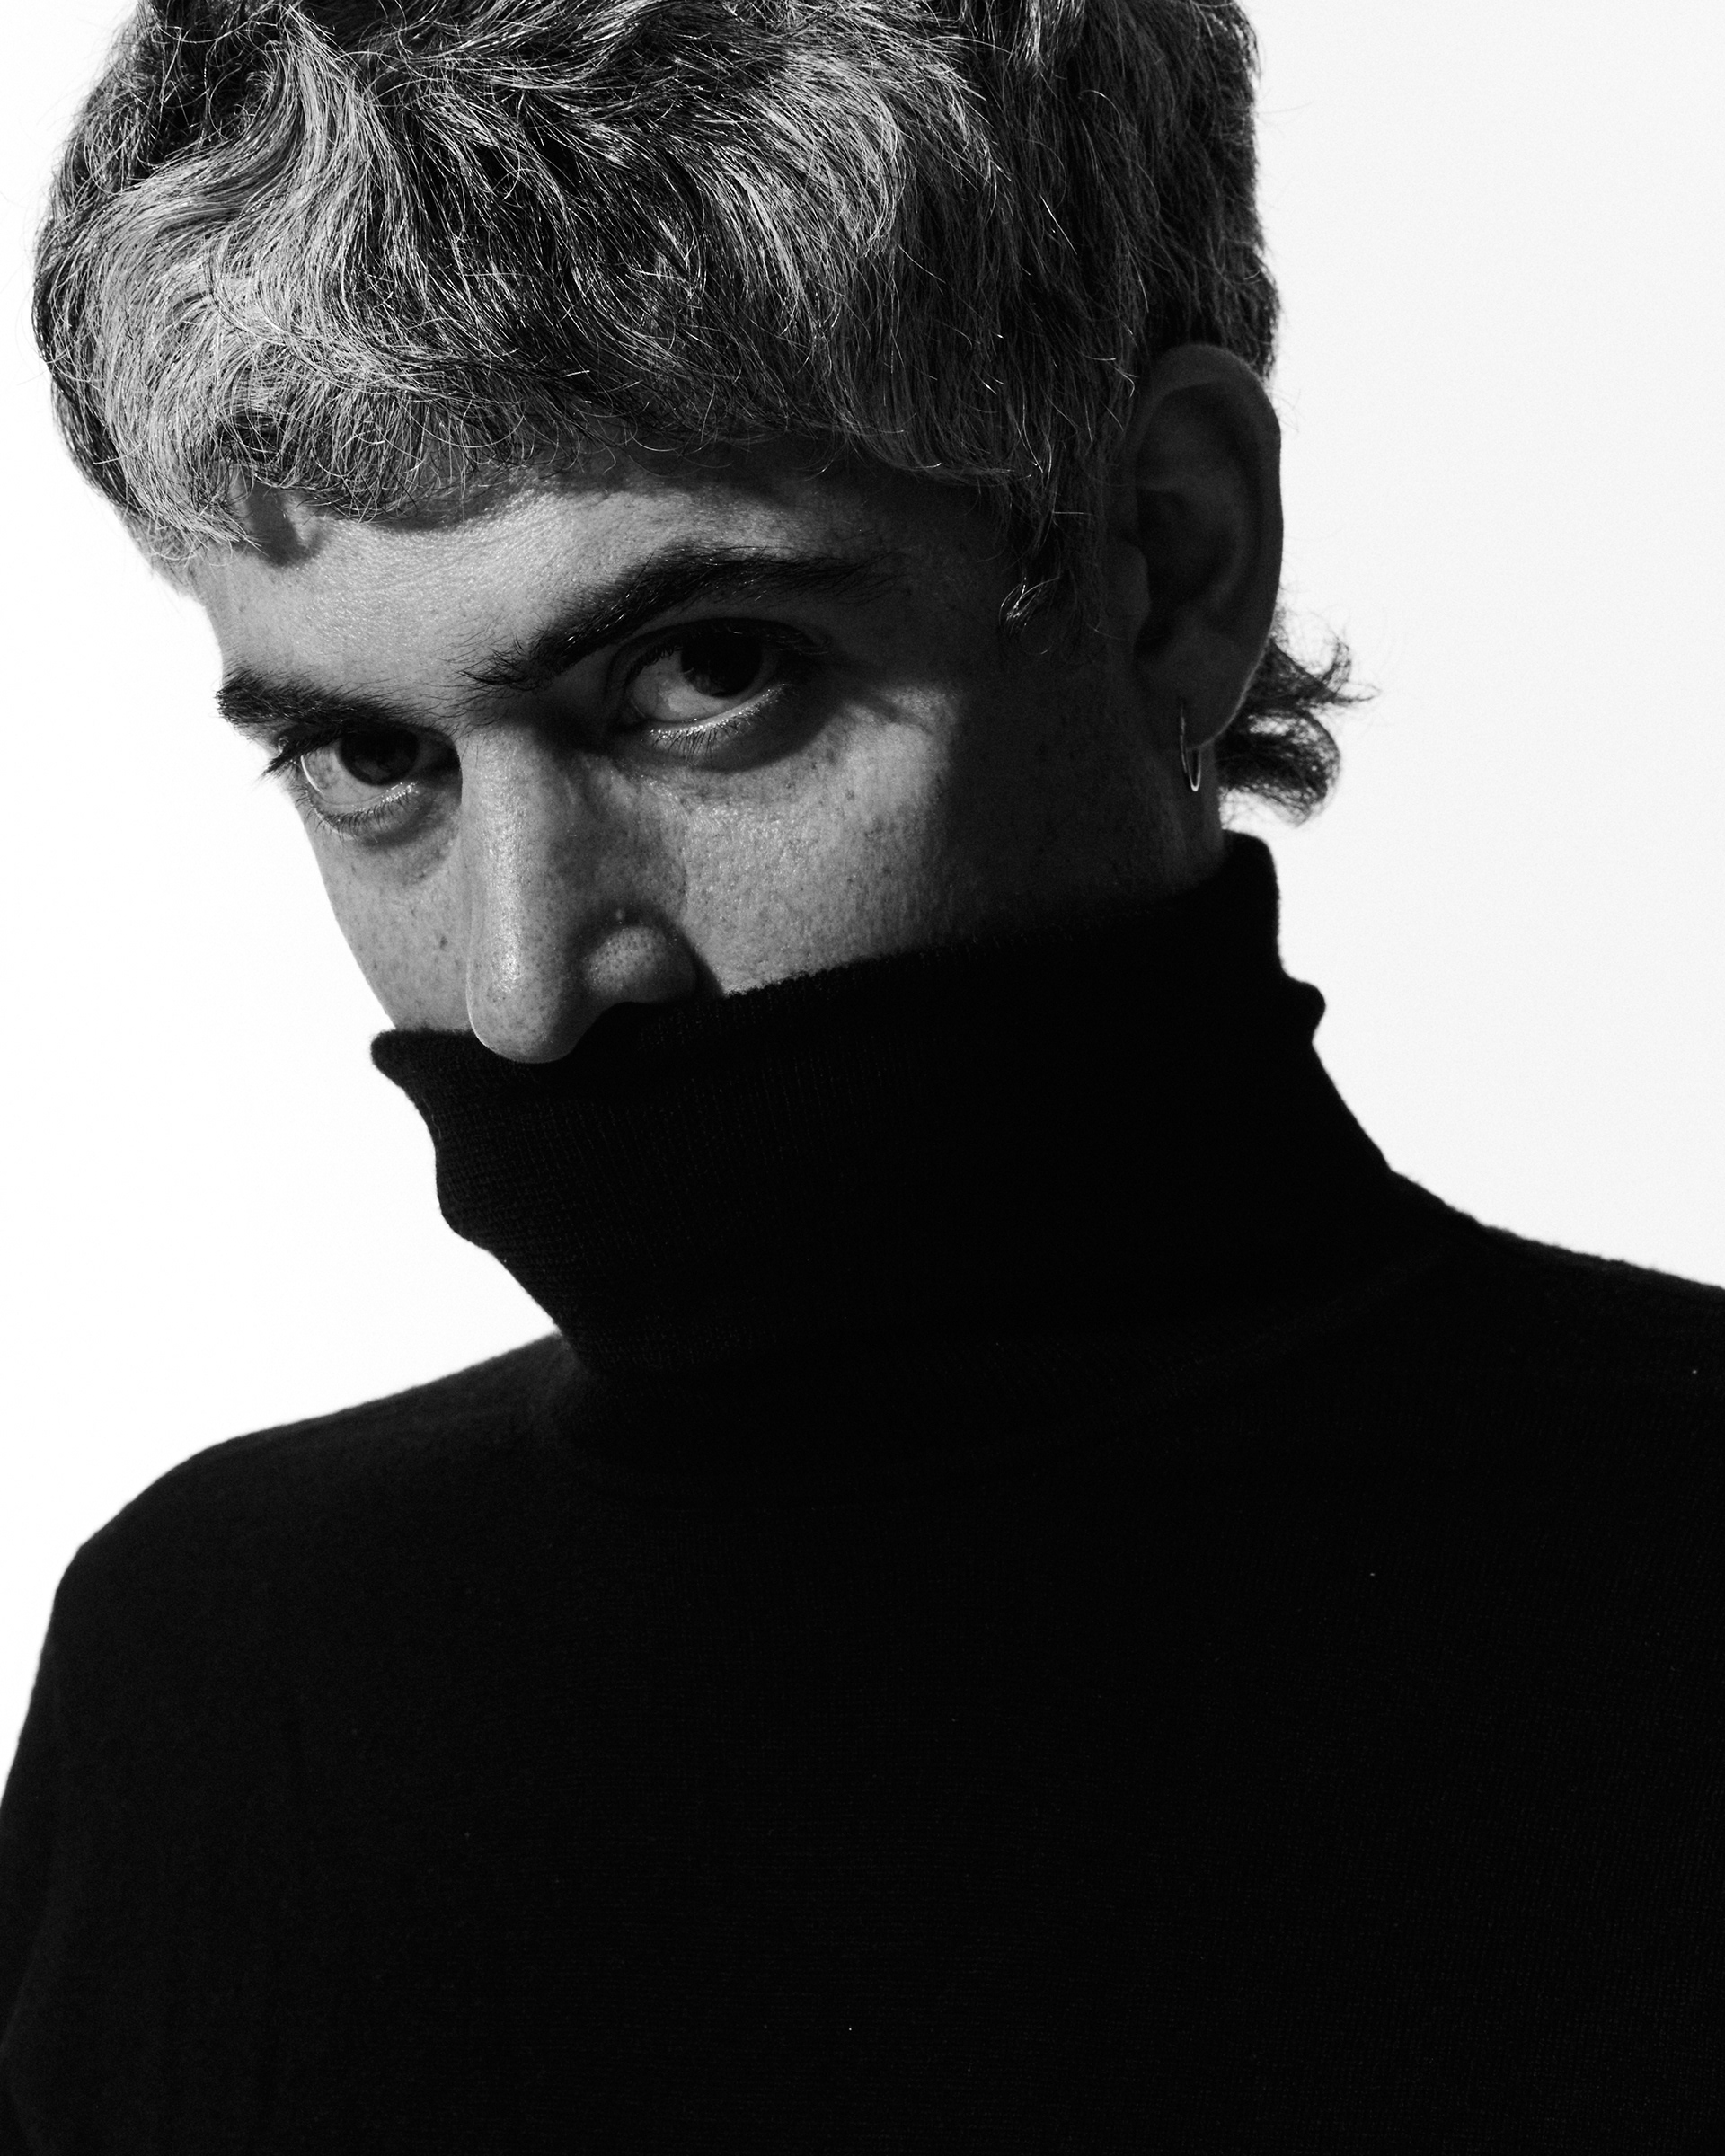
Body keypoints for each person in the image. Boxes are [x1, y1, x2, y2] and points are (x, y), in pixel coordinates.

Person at [2, 0, 1720, 2146]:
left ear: (1171, 561)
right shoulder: (219, 1679)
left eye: (708, 672)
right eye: (372, 756)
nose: (529, 985)